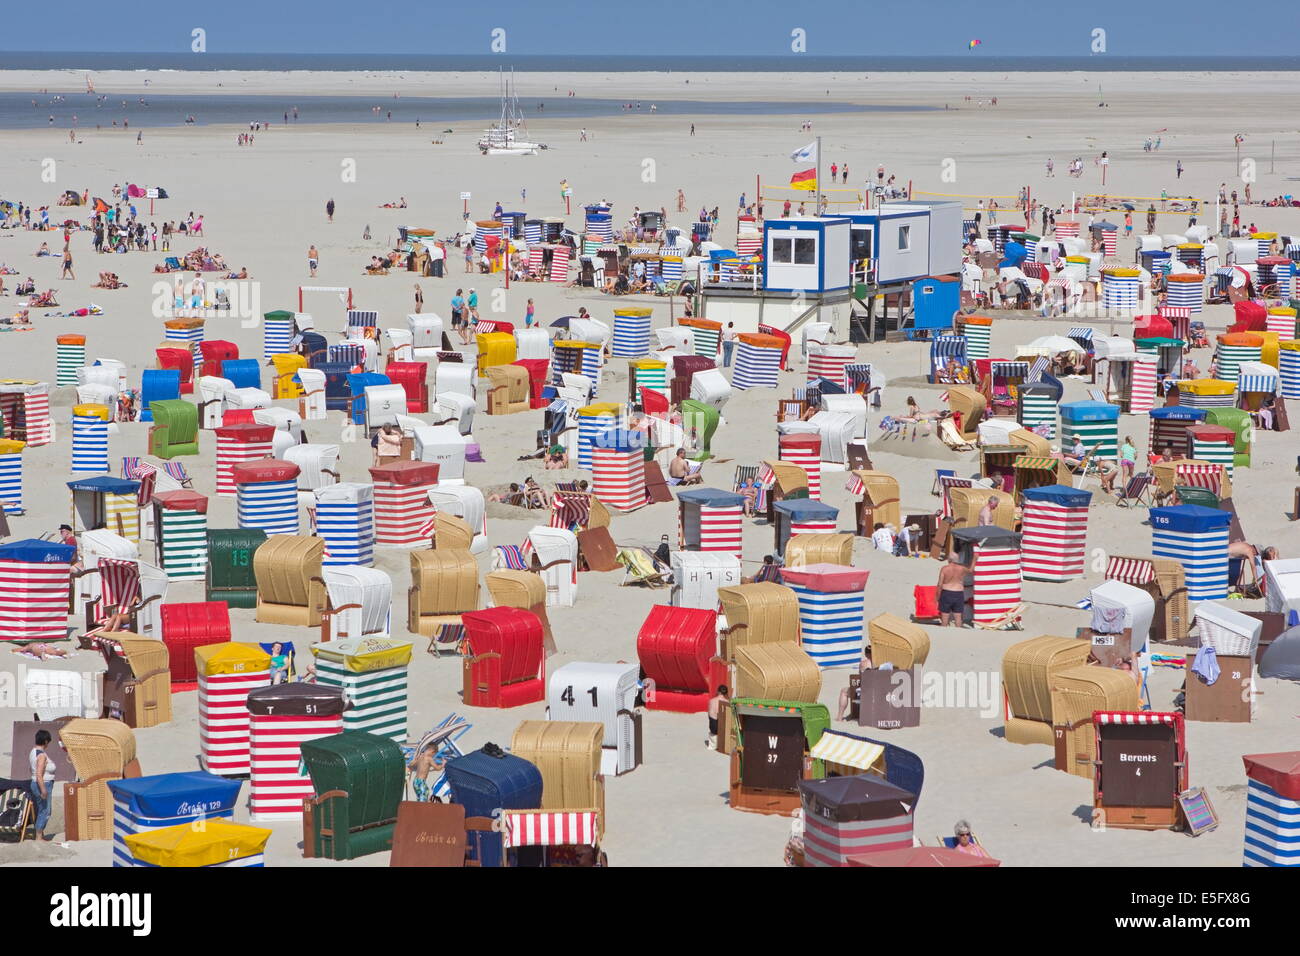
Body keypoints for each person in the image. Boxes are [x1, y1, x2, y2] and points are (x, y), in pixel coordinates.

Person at [30, 729, 56, 840]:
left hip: (36, 783)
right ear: (45, 741)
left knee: (41, 809)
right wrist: (43, 789)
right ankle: (39, 837)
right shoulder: (41, 756)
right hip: (43, 784)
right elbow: (39, 774)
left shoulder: (33, 751)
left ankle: (39, 835)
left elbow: (31, 769)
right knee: (45, 811)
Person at [836, 649, 873, 720]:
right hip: (879, 690)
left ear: (865, 654)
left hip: (865, 691)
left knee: (844, 691)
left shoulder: (863, 663)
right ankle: (853, 713)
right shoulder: (880, 664)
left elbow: (860, 677)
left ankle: (840, 717)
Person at [937, 553, 967, 627]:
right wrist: (974, 559)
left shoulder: (945, 568)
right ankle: (959, 634)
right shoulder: (962, 568)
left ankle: (944, 633)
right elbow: (971, 570)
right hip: (958, 593)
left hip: (946, 592)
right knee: (958, 617)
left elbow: (940, 584)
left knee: (944, 617)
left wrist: (937, 596)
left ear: (949, 559)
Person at [706, 684, 729, 749]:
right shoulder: (727, 702)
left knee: (712, 718)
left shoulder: (711, 701)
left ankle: (713, 745)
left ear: (718, 692)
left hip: (713, 727)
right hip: (723, 729)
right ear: (726, 693)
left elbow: (709, 714)